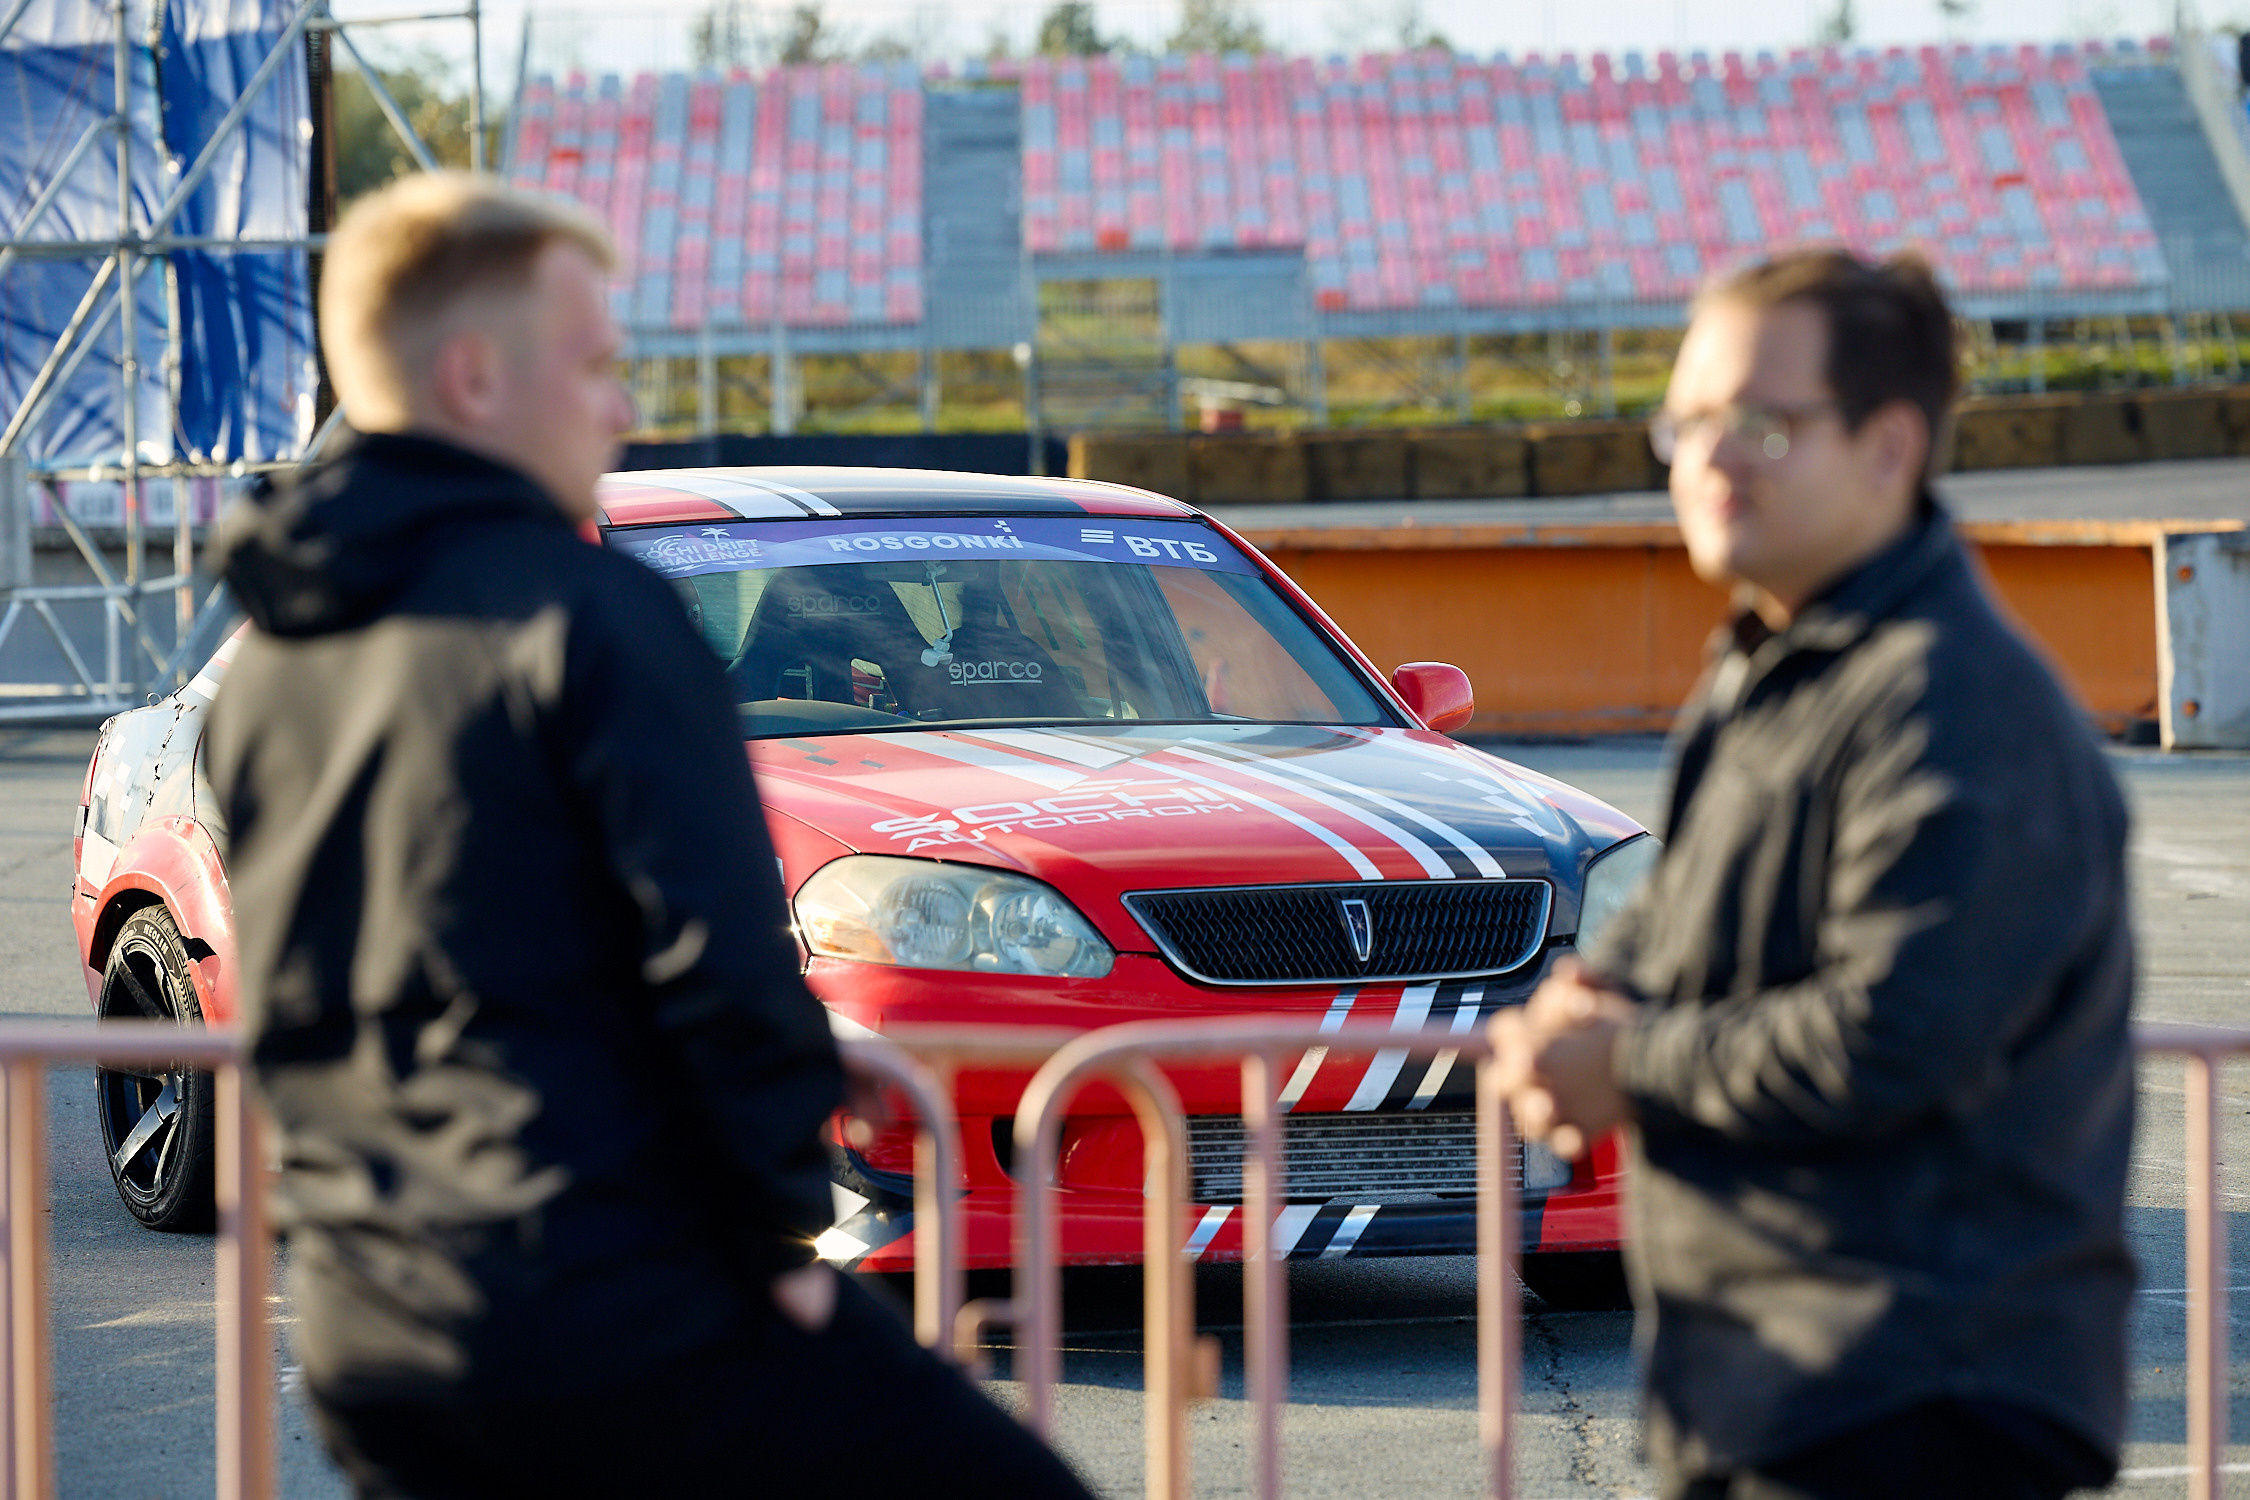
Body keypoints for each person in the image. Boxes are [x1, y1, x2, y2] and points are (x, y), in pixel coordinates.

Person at [205, 172, 1094, 1500]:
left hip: (369, 1326)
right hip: (614, 1310)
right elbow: (719, 966)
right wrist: (769, 1241)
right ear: (472, 376)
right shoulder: (590, 617)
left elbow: (345, 996)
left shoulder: (273, 661)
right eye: (597, 365)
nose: (625, 410)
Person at [1494, 249, 2134, 1500]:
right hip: (1777, 1394)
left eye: (1763, 426)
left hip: (1916, 1395)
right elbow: (1677, 932)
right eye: (1688, 422)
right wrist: (1581, 1005)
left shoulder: (1954, 705)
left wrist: (1619, 1066)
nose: (1710, 460)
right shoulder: (1773, 671)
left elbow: (1895, 1035)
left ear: (1890, 448)